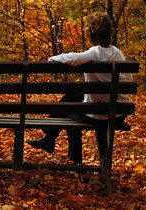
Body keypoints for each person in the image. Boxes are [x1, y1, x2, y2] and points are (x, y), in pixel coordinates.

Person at [26, 12, 133, 164]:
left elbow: (73, 58)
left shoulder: (95, 52)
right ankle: (49, 139)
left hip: (99, 116)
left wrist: (51, 59)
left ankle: (74, 159)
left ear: (91, 35)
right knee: (71, 97)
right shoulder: (118, 53)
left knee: (70, 111)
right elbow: (128, 80)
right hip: (118, 113)